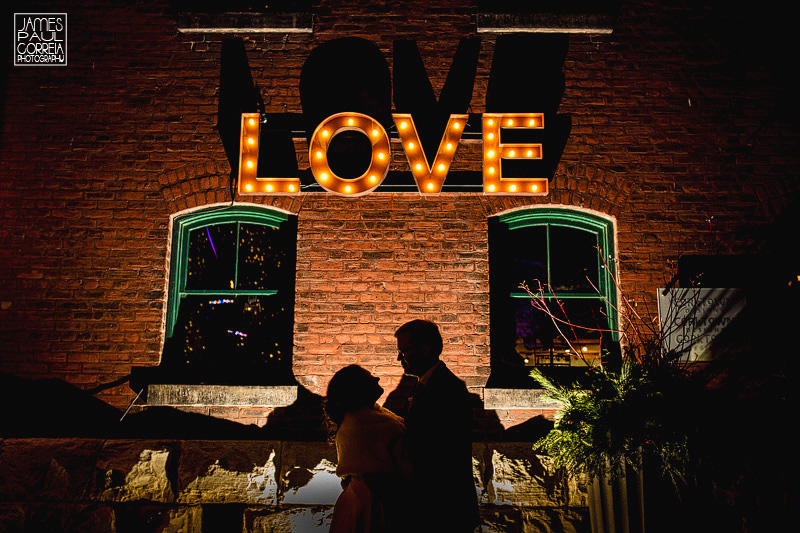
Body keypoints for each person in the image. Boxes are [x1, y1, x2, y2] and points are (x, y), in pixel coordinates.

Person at [394, 319, 480, 532]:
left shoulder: (446, 389)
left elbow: (435, 452)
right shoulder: (428, 385)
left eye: (404, 351)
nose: (399, 358)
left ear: (424, 349)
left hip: (441, 508)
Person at [325, 364, 411, 533]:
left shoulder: (356, 419)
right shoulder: (372, 425)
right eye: (369, 377)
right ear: (358, 388)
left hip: (357, 501)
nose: (377, 378)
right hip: (376, 505)